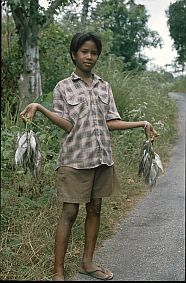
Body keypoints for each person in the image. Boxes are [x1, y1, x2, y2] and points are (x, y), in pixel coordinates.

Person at [20, 31, 158, 281]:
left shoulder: (104, 86)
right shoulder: (63, 86)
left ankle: (87, 263)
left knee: (95, 209)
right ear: (74, 54)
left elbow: (111, 121)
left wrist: (142, 123)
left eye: (94, 52)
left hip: (101, 158)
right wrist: (40, 108)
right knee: (69, 213)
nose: (89, 56)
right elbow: (67, 125)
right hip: (74, 159)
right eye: (84, 51)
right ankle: (58, 272)